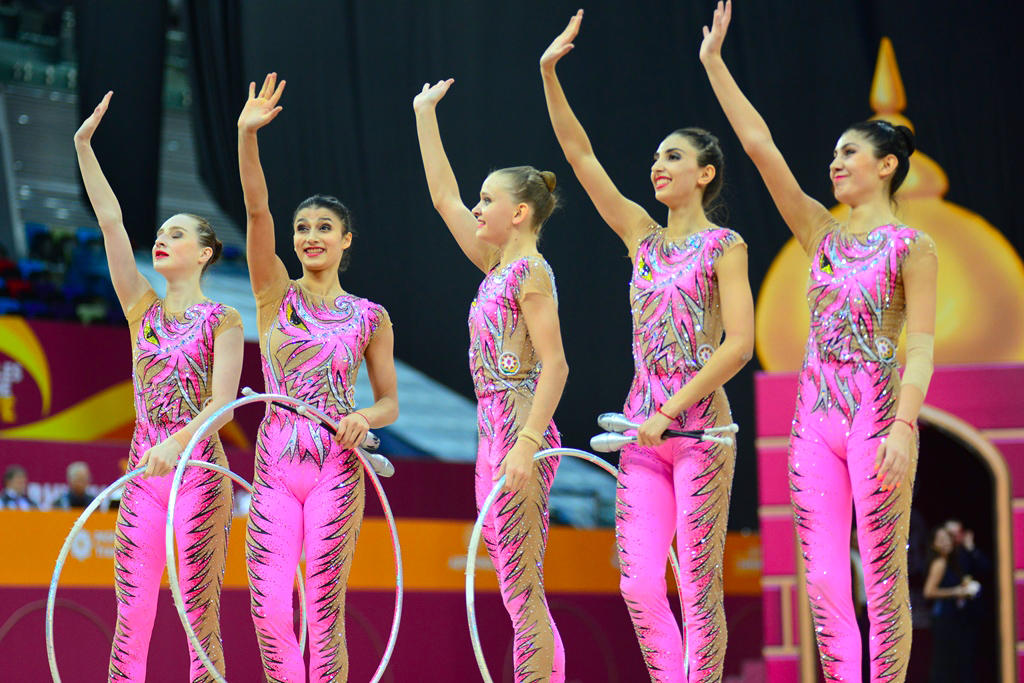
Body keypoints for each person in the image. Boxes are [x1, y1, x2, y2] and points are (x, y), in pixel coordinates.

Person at [700, 3, 938, 679]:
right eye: (833, 153)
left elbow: (919, 343)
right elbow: (759, 146)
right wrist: (715, 63)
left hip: (877, 410)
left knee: (883, 577)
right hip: (813, 416)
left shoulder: (911, 247)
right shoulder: (819, 233)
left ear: (887, 165)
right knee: (827, 580)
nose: (835, 163)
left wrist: (904, 423)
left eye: (850, 153)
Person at [540, 11, 754, 680]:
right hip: (642, 428)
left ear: (706, 174)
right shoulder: (641, 235)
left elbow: (740, 344)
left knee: (696, 584)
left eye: (673, 157)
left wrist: (671, 411)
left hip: (697, 431)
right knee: (636, 586)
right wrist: (548, 73)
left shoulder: (725, 246)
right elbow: (581, 157)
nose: (657, 166)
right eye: (657, 156)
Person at [74, 91, 244, 681]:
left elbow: (224, 407)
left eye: (177, 234)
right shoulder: (140, 309)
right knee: (132, 612)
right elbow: (112, 222)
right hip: (143, 477)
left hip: (199, 473)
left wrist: (179, 442)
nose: (163, 239)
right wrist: (83, 148)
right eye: (162, 233)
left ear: (204, 253)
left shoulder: (224, 319)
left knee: (198, 615)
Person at [237, 73, 399, 682]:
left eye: (322, 228)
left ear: (345, 240)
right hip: (275, 463)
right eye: (303, 228)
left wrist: (364, 417)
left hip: (337, 459)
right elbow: (257, 208)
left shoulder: (370, 316)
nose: (309, 237)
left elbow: (389, 404)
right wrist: (246, 138)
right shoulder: (273, 292)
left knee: (323, 611)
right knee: (270, 608)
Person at [414, 77, 569, 682]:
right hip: (492, 440)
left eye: (489, 199)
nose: (477, 208)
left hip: (521, 438)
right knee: (513, 591)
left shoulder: (530, 272)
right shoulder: (494, 265)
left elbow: (556, 363)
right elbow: (443, 198)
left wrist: (527, 444)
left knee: (524, 587)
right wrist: (426, 115)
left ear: (520, 212)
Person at [923, 527, 977, 682]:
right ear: (934, 545)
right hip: (944, 618)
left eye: (947, 538)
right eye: (940, 540)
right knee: (943, 664)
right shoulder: (939, 563)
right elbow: (928, 592)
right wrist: (956, 591)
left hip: (953, 617)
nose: (945, 542)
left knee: (954, 663)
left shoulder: (952, 562)